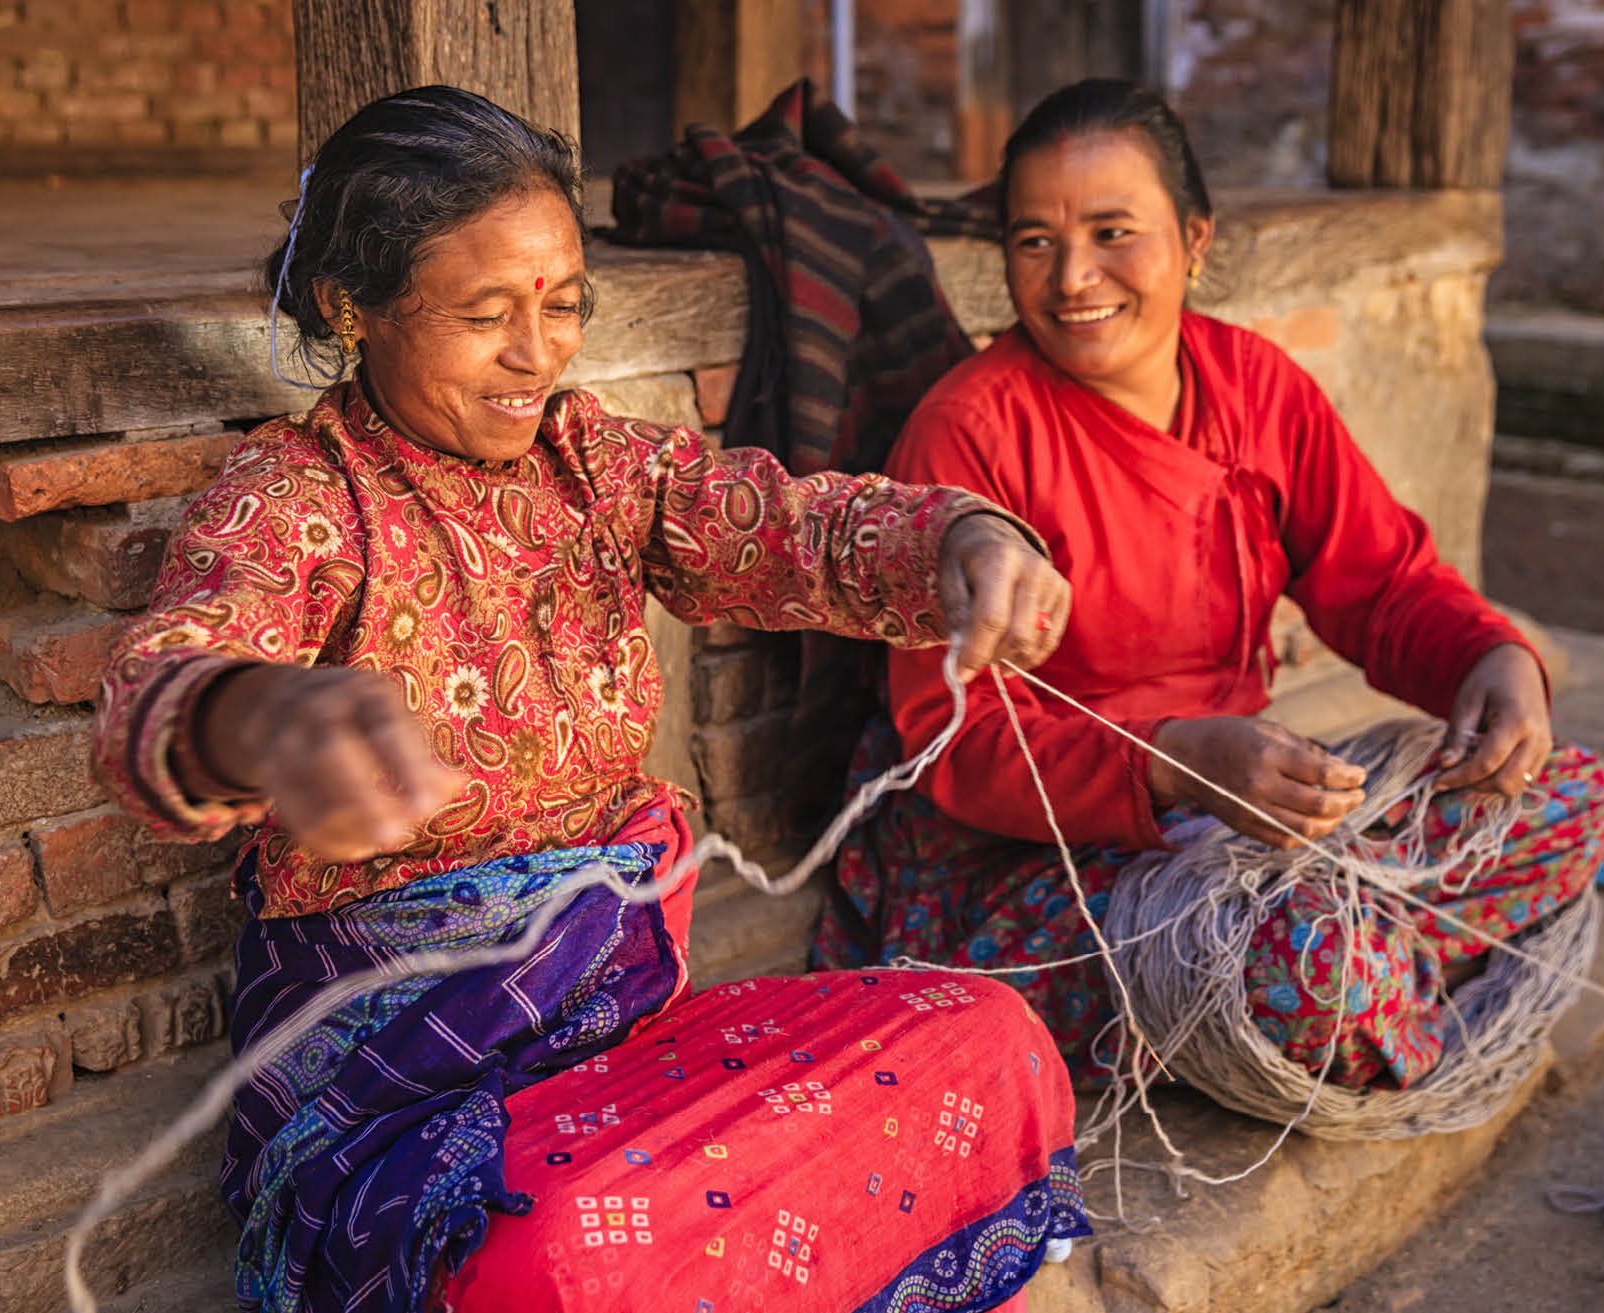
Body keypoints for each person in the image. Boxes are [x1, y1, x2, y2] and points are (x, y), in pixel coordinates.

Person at [91, 86, 1090, 1313]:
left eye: (561, 305)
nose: (536, 352)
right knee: (562, 1252)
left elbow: (787, 523)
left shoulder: (597, 465)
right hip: (422, 1115)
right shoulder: (295, 499)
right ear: (353, 308)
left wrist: (960, 538)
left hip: (625, 1053)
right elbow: (166, 675)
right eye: (483, 313)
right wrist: (262, 720)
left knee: (984, 1035)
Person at [814, 79, 1604, 1093]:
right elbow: (954, 737)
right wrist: (1170, 762)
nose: (1071, 278)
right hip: (1036, 861)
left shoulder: (1256, 386)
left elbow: (1380, 582)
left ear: (1193, 241)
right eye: (1032, 241)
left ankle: (1359, 977)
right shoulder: (969, 430)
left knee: (1567, 794)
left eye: (1113, 232)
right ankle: (1363, 981)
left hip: (1241, 814)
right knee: (1302, 961)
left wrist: (1488, 655)